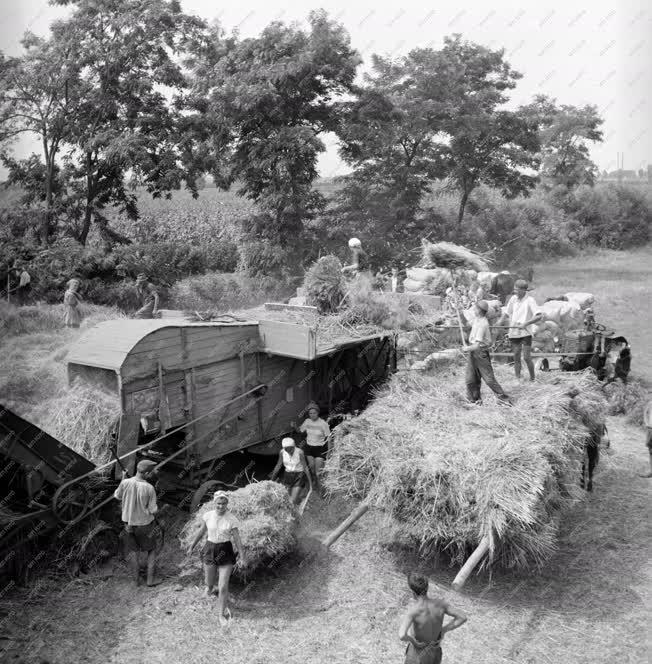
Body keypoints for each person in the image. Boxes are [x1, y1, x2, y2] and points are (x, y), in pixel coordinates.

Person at [188, 491, 245, 626]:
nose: (221, 506)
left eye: (224, 503)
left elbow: (237, 539)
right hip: (210, 549)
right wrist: (191, 546)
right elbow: (202, 531)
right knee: (209, 582)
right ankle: (209, 588)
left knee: (223, 586)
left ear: (227, 504)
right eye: (219, 503)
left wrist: (242, 556)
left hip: (226, 551)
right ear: (214, 503)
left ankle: (221, 615)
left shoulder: (232, 519)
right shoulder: (207, 516)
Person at [399, 572, 467, 664]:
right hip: (434, 652)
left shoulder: (413, 611)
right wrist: (444, 630)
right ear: (427, 588)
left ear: (413, 593)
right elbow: (462, 617)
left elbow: (402, 635)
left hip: (416, 654)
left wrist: (414, 642)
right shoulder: (441, 604)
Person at [113, 459, 162, 587]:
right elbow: (153, 509)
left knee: (133, 552)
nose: (153, 474)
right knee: (151, 550)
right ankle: (150, 580)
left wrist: (123, 478)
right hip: (144, 525)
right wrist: (158, 510)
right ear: (146, 473)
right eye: (151, 472)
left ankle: (135, 581)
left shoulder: (125, 483)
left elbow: (117, 496)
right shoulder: (149, 488)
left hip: (128, 525)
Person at [464, 300, 510, 405]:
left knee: (489, 379)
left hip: (480, 353)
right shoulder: (477, 320)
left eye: (475, 308)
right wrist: (458, 311)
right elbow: (466, 324)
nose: (474, 310)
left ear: (479, 311)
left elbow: (476, 345)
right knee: (470, 379)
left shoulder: (483, 324)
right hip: (473, 353)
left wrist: (466, 349)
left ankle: (504, 400)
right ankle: (474, 400)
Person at [506, 279, 543, 381]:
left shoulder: (530, 300)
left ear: (523, 290)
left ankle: (532, 378)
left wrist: (526, 323)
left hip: (525, 332)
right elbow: (507, 312)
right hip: (514, 330)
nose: (515, 292)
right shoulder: (513, 299)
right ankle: (517, 379)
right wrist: (499, 322)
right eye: (514, 289)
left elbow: (539, 316)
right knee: (516, 356)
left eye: (516, 290)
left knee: (526, 357)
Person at [292, 402, 330, 497]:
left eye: (314, 413)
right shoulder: (307, 422)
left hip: (320, 449)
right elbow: (300, 431)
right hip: (309, 449)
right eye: (310, 413)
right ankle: (315, 486)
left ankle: (322, 490)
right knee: (312, 470)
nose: (312, 415)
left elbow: (329, 439)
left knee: (318, 473)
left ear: (318, 413)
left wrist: (328, 452)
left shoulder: (323, 424)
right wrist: (294, 426)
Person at [270, 437, 313, 505]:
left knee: (292, 500)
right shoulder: (282, 452)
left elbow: (305, 468)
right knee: (286, 497)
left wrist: (311, 485)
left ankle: (299, 500)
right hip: (288, 475)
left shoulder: (300, 452)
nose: (289, 451)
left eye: (290, 449)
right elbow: (278, 466)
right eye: (286, 449)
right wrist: (271, 480)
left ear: (294, 446)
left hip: (299, 476)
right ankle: (300, 501)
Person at [642, 400, 652, 478]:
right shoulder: (650, 403)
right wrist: (646, 423)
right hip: (650, 429)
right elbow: (645, 412)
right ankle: (651, 471)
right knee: (651, 451)